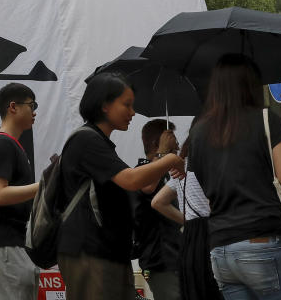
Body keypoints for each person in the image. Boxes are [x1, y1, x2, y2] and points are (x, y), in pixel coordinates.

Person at [186, 54, 281, 300]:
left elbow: (204, 194)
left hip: (221, 251)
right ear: (252, 84)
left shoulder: (198, 132)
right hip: (262, 240)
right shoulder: (266, 120)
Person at [56, 72, 185, 300]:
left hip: (109, 253)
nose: (132, 113)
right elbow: (132, 180)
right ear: (105, 105)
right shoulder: (86, 140)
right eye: (126, 104)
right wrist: (169, 158)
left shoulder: (101, 143)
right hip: (90, 252)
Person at [0, 83, 40, 300]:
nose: (34, 112)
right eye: (31, 105)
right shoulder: (3, 143)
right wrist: (44, 185)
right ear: (13, 107)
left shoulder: (11, 144)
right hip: (5, 245)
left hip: (13, 244)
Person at [152, 137, 221, 300]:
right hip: (211, 231)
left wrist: (186, 220)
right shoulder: (209, 167)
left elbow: (158, 202)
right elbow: (213, 202)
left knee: (194, 287)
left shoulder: (180, 170)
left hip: (190, 234)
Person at [132, 119, 183, 300]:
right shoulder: (141, 171)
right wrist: (162, 154)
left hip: (178, 259)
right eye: (173, 143)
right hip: (160, 262)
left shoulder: (166, 175)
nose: (176, 145)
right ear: (157, 144)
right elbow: (147, 187)